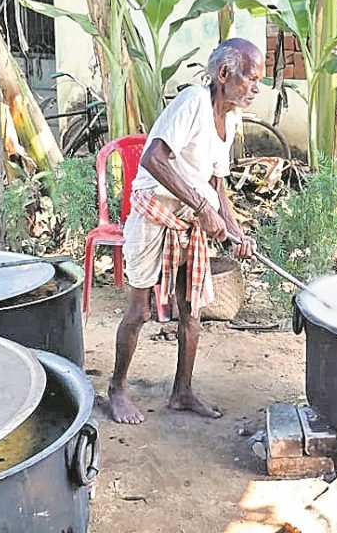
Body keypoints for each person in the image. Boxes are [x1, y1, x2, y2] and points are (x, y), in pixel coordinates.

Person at [108, 38, 263, 425]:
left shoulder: (231, 118)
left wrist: (236, 232)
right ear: (224, 74)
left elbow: (217, 184)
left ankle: (182, 392)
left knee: (192, 312)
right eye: (251, 78)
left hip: (188, 218)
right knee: (140, 311)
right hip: (154, 213)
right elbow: (153, 159)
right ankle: (116, 389)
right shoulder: (193, 101)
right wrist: (202, 207)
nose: (256, 88)